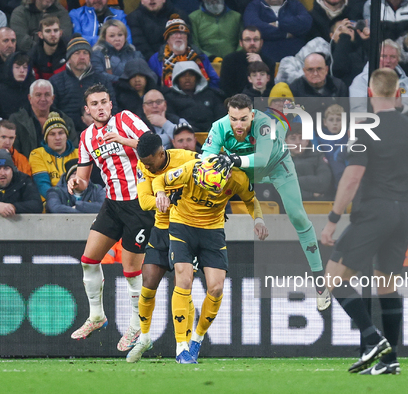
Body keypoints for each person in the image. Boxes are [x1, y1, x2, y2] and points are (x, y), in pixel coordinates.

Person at [320, 68, 408, 375]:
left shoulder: (365, 128)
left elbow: (352, 176)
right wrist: (407, 198)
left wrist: (333, 219)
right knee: (386, 284)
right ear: (399, 93)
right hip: (403, 213)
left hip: (374, 212)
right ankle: (390, 359)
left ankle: (372, 339)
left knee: (333, 278)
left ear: (370, 93)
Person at [204, 94, 332, 310]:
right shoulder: (218, 127)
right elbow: (205, 156)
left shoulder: (263, 124)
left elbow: (262, 158)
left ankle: (320, 283)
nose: (238, 124)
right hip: (243, 171)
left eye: (244, 119)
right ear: (228, 115)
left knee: (298, 216)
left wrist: (231, 159)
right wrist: (213, 164)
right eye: (234, 119)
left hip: (277, 166)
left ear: (252, 115)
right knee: (208, 188)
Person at [154, 155, 268, 363]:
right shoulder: (191, 169)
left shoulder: (239, 179)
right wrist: (160, 193)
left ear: (228, 177)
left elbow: (251, 201)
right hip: (182, 225)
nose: (207, 193)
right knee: (184, 279)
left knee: (216, 288)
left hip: (212, 231)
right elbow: (159, 179)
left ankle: (197, 339)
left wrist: (258, 220)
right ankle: (181, 347)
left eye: (213, 190)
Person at [67, 83, 154, 353]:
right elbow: (83, 177)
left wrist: (122, 140)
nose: (100, 107)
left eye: (104, 101)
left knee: (131, 270)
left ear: (110, 103)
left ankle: (135, 324)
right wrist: (76, 184)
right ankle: (96, 316)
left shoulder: (125, 120)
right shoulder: (86, 138)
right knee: (88, 260)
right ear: (87, 109)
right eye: (94, 104)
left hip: (139, 204)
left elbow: (153, 146)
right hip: (112, 204)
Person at [124, 131, 198, 363]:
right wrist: (160, 195)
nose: (146, 167)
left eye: (149, 162)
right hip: (161, 230)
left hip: (187, 229)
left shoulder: (187, 158)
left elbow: (207, 179)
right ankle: (144, 337)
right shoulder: (143, 167)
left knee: (182, 287)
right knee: (148, 283)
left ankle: (183, 344)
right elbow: (143, 201)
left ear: (160, 153)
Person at [349, 39, 408, 125]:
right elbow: (359, 112)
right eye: (384, 56)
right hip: (375, 129)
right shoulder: (362, 81)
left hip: (406, 130)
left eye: (392, 57)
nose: (388, 61)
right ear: (376, 58)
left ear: (397, 60)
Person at [50, 35, 116, 132]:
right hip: (67, 134)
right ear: (69, 58)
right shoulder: (56, 81)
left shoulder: (102, 80)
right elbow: (53, 110)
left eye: (85, 53)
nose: (82, 57)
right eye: (77, 53)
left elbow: (112, 107)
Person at [10, 79, 78, 159]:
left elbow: (73, 149)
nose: (43, 99)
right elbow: (13, 152)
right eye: (38, 95)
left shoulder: (65, 120)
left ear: (53, 98)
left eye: (47, 95)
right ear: (30, 98)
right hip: (26, 168)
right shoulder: (16, 121)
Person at [147, 16, 219, 89]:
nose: (179, 36)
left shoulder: (200, 56)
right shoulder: (156, 59)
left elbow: (214, 80)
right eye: (174, 33)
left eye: (182, 33)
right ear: (167, 39)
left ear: (187, 37)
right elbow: (152, 86)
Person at [163, 61, 226, 133]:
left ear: (197, 77)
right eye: (183, 75)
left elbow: (221, 116)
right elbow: (171, 118)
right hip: (184, 136)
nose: (187, 78)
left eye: (191, 75)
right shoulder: (169, 98)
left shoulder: (212, 94)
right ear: (177, 79)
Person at [29, 112, 79, 199]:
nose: (57, 138)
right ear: (46, 138)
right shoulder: (37, 154)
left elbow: (86, 184)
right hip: (49, 203)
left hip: (77, 201)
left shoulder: (79, 154)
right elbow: (42, 185)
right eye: (52, 134)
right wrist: (61, 200)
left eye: (61, 133)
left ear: (66, 136)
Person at [243, 0, 312, 62]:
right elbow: (253, 28)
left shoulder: (294, 4)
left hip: (296, 59)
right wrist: (286, 34)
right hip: (264, 61)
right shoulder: (254, 5)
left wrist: (278, 24)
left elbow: (306, 22)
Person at [219, 26, 276, 97]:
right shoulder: (230, 60)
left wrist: (261, 65)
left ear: (261, 42)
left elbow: (270, 91)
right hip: (237, 103)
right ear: (241, 43)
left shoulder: (269, 62)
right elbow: (225, 89)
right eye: (248, 40)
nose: (252, 43)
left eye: (256, 39)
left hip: (262, 103)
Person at [285, 122, 333, 201]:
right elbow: (280, 190)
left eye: (301, 138)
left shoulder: (318, 156)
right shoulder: (279, 161)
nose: (297, 142)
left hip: (318, 208)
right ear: (286, 141)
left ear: (307, 141)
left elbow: (323, 182)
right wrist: (311, 194)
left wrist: (293, 180)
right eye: (293, 138)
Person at [0, 52, 35, 119]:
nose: (22, 71)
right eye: (17, 67)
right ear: (10, 69)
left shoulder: (34, 90)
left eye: (25, 67)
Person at [329, 18, 369, 87]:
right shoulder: (329, 53)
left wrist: (367, 41)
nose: (346, 31)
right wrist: (344, 37)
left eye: (350, 29)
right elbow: (339, 69)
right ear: (332, 35)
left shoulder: (361, 50)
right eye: (340, 29)